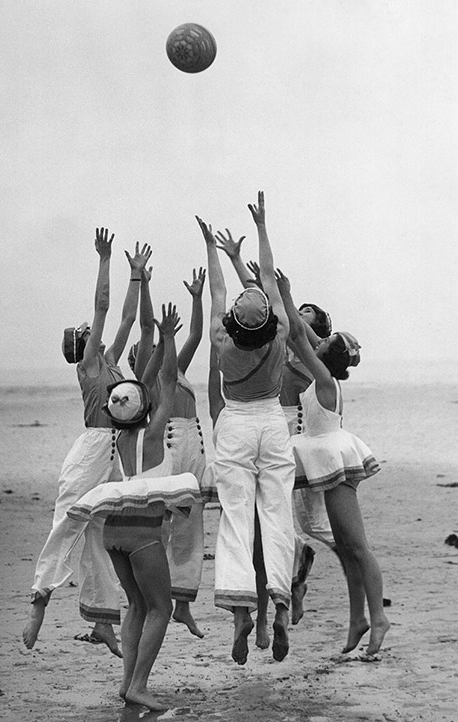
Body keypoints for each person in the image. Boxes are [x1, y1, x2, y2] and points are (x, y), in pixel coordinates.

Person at [22, 230, 152, 653]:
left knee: (100, 531)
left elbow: (127, 319)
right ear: (83, 345)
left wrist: (137, 277)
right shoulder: (90, 364)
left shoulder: (110, 362)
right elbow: (103, 307)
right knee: (70, 518)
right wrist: (105, 259)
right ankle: (40, 597)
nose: (93, 329)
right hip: (94, 447)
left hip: (116, 450)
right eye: (87, 332)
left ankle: (102, 620)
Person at [69, 304, 201, 712]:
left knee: (137, 605)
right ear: (146, 408)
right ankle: (140, 684)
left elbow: (146, 386)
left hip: (114, 532)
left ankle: (128, 682)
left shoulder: (122, 438)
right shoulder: (154, 433)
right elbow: (167, 380)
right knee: (160, 607)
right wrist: (168, 338)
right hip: (143, 533)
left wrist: (158, 342)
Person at [196, 191, 295, 665]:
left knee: (236, 518)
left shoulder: (222, 340)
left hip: (235, 423)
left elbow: (217, 291)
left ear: (235, 323)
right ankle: (280, 602)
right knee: (277, 515)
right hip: (273, 421)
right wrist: (261, 227)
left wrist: (211, 248)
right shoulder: (281, 333)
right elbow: (269, 277)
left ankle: (240, 612)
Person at [277, 269, 390, 656]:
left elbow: (297, 334)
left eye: (324, 342)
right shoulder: (325, 372)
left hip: (333, 459)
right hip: (324, 455)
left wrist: (286, 293)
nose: (319, 341)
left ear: (328, 354)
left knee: (357, 547)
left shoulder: (324, 379)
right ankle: (358, 619)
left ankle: (378, 618)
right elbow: (304, 336)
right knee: (346, 546)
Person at [132, 266, 208, 638]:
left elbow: (195, 333)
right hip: (171, 445)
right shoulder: (144, 380)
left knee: (191, 525)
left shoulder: (178, 370)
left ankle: (183, 605)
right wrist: (144, 285)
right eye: (143, 351)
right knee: (164, 522)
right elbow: (146, 327)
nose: (150, 351)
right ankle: (152, 596)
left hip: (194, 441)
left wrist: (197, 299)